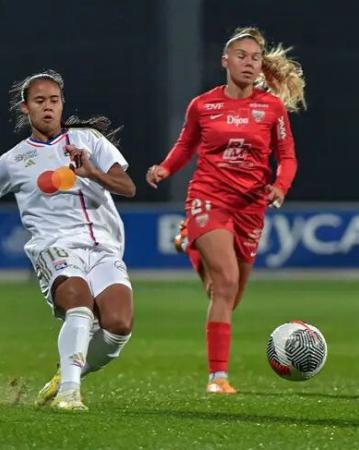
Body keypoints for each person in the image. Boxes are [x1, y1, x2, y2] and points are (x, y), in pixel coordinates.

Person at [0, 70, 136, 411]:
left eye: (54, 101)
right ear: (25, 108)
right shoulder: (12, 161)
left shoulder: (88, 142)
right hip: (54, 248)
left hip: (103, 247)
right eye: (40, 101)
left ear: (62, 105)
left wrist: (92, 173)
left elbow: (128, 188)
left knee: (118, 326)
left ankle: (69, 373)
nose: (48, 108)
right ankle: (69, 395)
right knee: (79, 304)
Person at [146, 27, 305, 393]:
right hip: (209, 197)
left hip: (250, 206)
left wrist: (280, 187)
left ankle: (190, 240)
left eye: (254, 58)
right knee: (226, 283)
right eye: (241, 56)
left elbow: (288, 157)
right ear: (225, 60)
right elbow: (186, 145)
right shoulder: (204, 105)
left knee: (228, 295)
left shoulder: (272, 108)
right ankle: (218, 378)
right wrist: (165, 168)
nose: (248, 63)